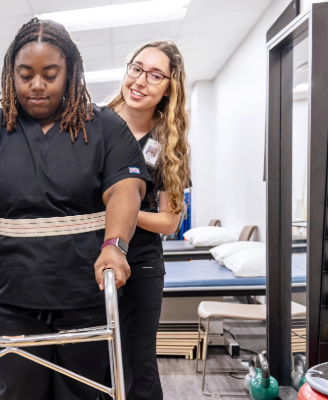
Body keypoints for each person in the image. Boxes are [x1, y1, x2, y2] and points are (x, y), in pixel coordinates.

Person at [0, 18, 149, 400]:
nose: (36, 85)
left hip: (84, 293)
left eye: (49, 74)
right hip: (10, 294)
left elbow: (126, 189)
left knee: (81, 392)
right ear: (11, 76)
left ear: (70, 74)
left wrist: (114, 245)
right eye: (25, 75)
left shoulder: (105, 127)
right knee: (19, 391)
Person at [104, 40, 192, 400]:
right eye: (136, 68)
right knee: (93, 358)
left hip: (141, 264)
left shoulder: (169, 143)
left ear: (170, 88)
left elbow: (170, 223)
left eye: (155, 75)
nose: (140, 81)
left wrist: (122, 212)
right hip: (90, 260)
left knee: (138, 360)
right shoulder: (96, 125)